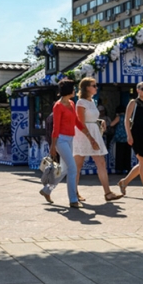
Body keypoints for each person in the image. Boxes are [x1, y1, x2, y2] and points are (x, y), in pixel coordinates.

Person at [41, 79, 96, 208]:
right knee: (73, 168)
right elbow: (56, 127)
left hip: (70, 138)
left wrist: (88, 135)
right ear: (68, 90)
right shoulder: (58, 106)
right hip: (60, 140)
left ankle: (46, 190)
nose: (75, 91)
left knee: (65, 169)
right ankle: (73, 199)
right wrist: (53, 146)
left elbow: (77, 121)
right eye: (73, 88)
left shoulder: (72, 103)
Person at [73, 78, 122, 202]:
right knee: (77, 165)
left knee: (101, 163)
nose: (96, 87)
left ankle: (108, 192)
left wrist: (100, 121)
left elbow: (91, 118)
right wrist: (91, 139)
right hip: (83, 134)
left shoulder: (92, 101)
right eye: (93, 85)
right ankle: (74, 193)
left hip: (94, 131)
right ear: (86, 88)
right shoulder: (81, 102)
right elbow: (80, 122)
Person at [117, 82, 143, 200]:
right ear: (138, 90)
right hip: (136, 134)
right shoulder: (133, 102)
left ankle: (124, 182)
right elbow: (126, 120)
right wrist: (129, 135)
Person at [109, 104, 131, 173]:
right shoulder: (128, 117)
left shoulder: (119, 117)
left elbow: (111, 124)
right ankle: (128, 168)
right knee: (127, 154)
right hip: (127, 137)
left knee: (119, 153)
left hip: (120, 137)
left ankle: (120, 168)